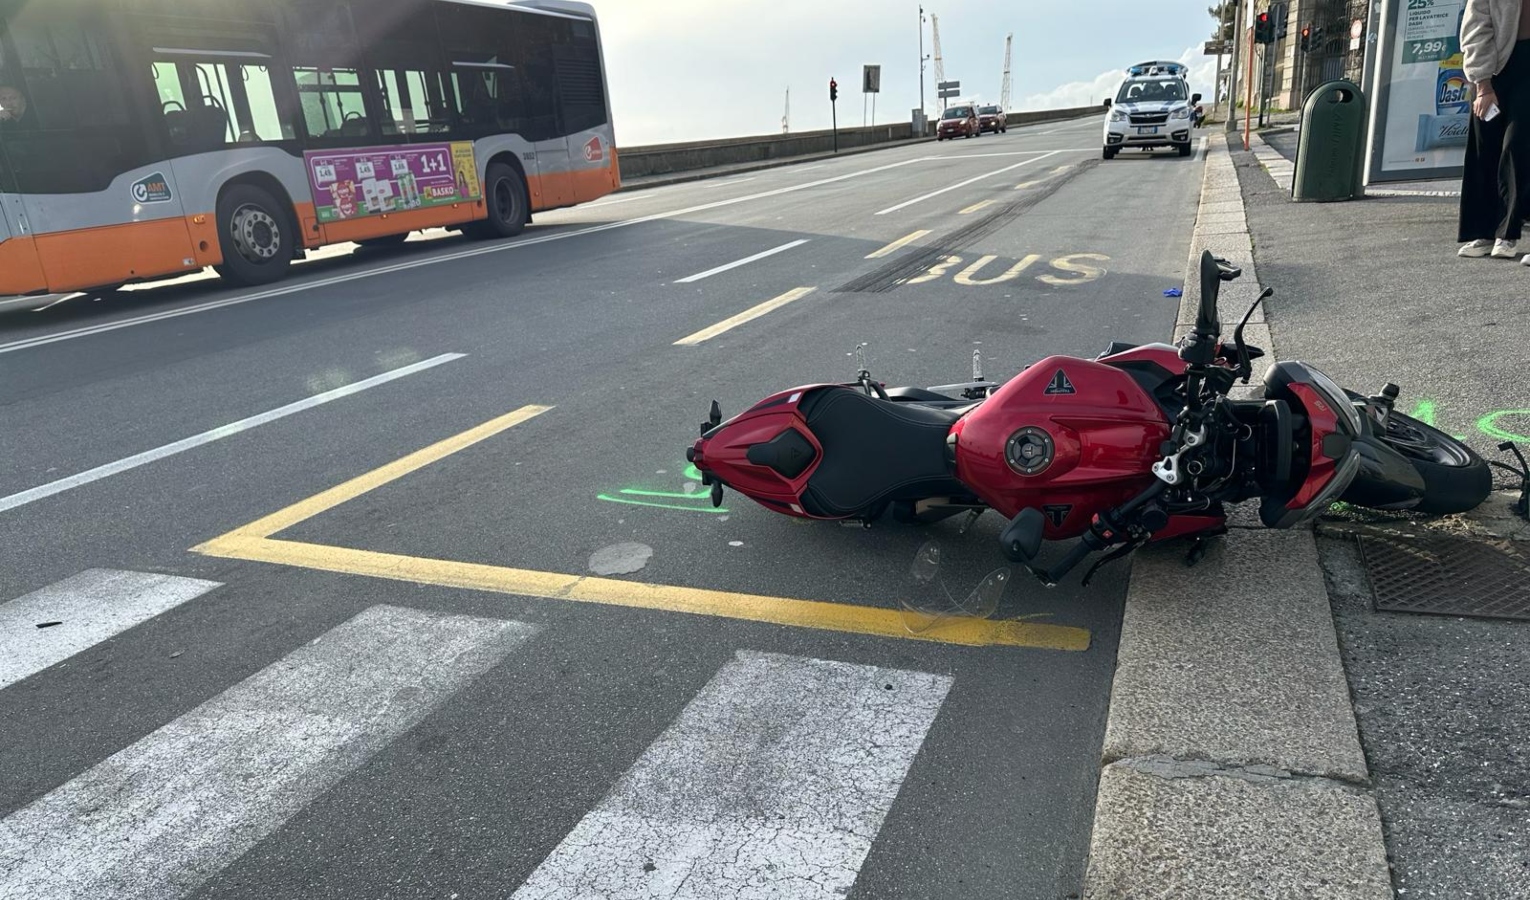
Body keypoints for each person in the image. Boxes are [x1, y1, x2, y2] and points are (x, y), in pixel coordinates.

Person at [1457, 0, 1530, 264]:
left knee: (1517, 144)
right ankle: (1483, 232)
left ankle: (1507, 232)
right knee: (1484, 144)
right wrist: (1483, 84)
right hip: (1495, 67)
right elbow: (1476, 26)